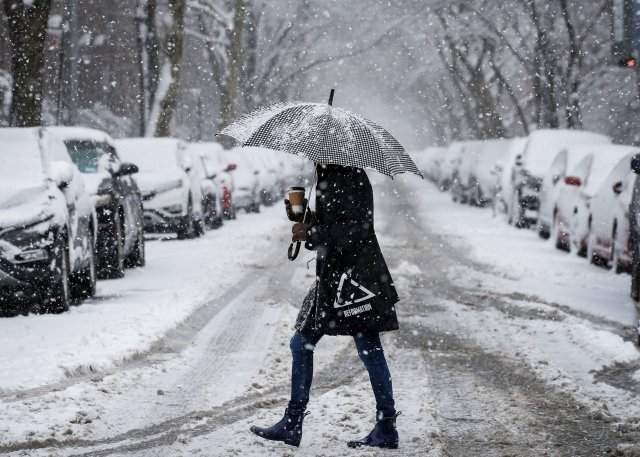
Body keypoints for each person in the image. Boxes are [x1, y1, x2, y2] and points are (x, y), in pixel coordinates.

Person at [250, 163, 401, 449]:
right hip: (334, 277)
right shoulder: (328, 173)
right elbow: (337, 221)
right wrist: (307, 217)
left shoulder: (349, 175)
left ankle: (386, 426)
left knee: (369, 349)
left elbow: (357, 229)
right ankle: (292, 424)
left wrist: (312, 233)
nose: (309, 154)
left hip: (355, 280)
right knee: (301, 342)